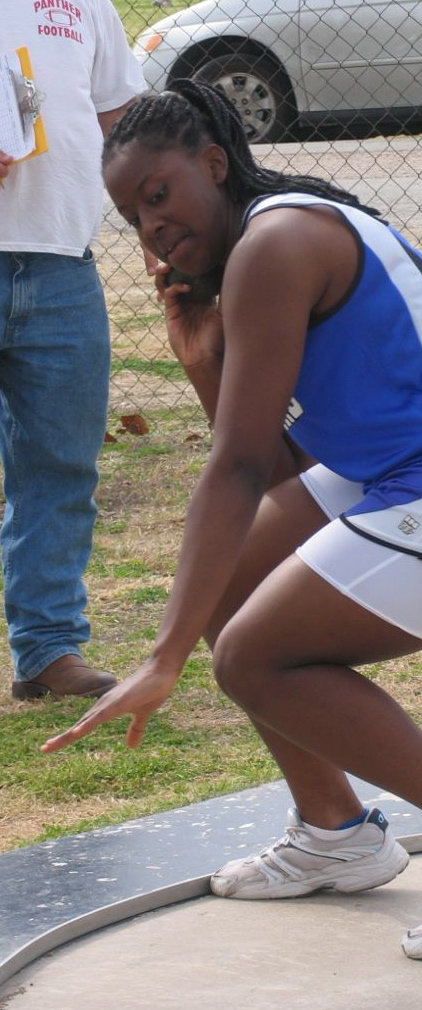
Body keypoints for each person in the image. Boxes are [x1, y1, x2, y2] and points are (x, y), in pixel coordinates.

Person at [42, 80, 422, 963]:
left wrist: (165, 658)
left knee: (256, 658)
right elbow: (282, 469)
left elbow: (238, 468)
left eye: (160, 195)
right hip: (413, 464)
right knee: (235, 591)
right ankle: (336, 832)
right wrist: (200, 353)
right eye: (130, 217)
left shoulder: (278, 240)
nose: (151, 227)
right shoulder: (245, 261)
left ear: (215, 165)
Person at [1, 1, 146, 699]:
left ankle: (48, 650)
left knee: (59, 469)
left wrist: (157, 224)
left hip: (62, 268)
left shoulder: (85, 5)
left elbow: (123, 120)